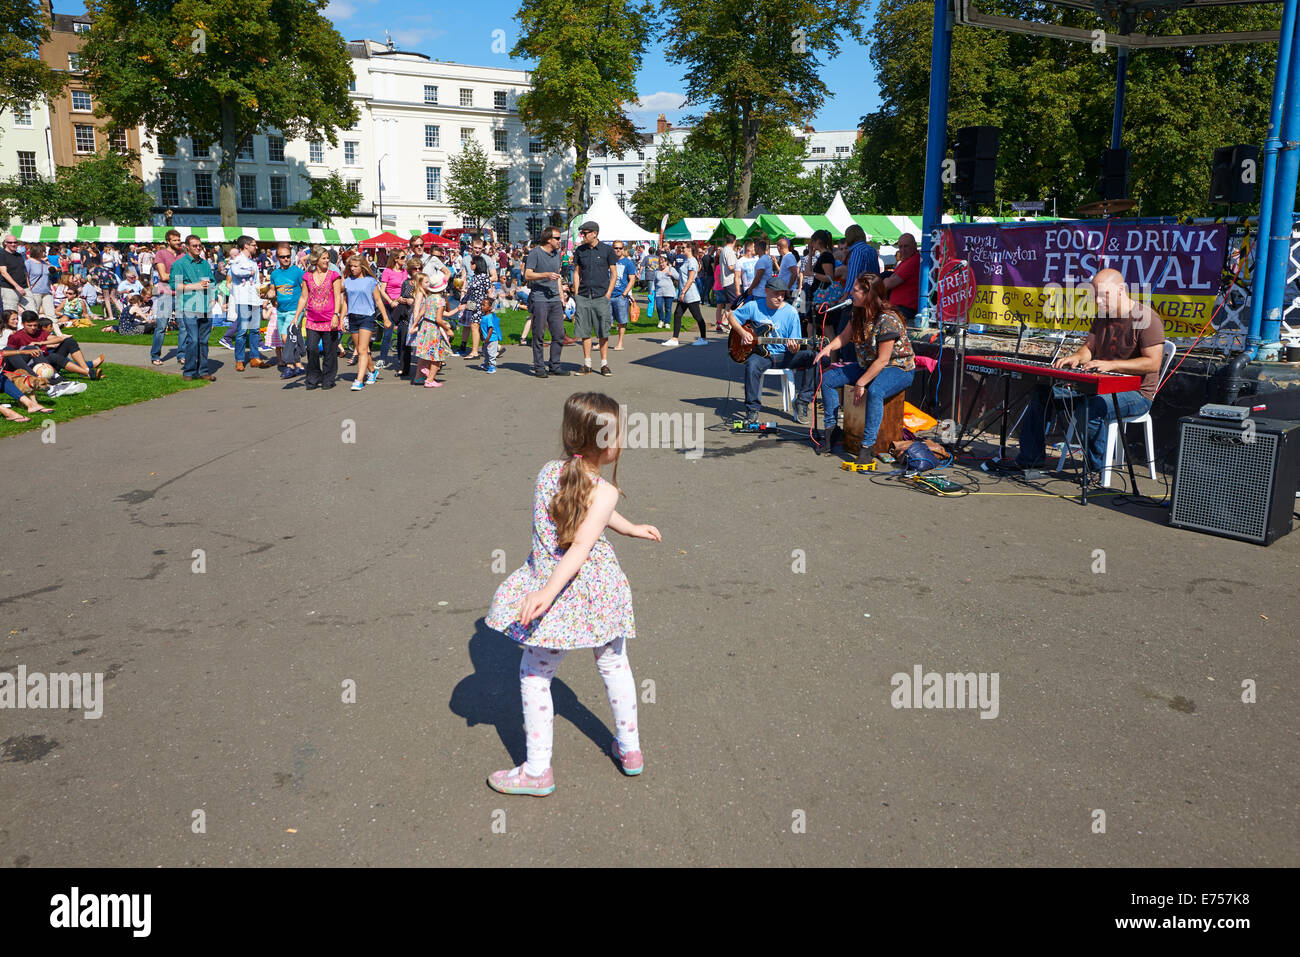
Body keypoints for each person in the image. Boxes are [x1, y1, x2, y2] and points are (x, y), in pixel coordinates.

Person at [483, 391, 661, 795]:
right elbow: (583, 542)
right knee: (614, 665)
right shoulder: (605, 491)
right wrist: (549, 590)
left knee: (535, 674)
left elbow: (587, 515)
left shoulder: (549, 473)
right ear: (607, 444)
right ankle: (630, 750)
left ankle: (537, 769)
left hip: (558, 590)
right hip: (594, 592)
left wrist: (629, 528)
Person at [1007, 269, 1166, 483]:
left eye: (1103, 295)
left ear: (1120, 290)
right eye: (1095, 295)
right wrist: (1076, 357)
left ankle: (1096, 469)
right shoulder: (1102, 316)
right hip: (1097, 385)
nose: (1098, 301)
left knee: (1091, 408)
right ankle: (1030, 459)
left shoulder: (1147, 319)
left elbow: (1153, 362)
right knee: (1041, 393)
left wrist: (1111, 365)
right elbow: (1089, 348)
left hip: (1136, 394)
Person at [812, 274, 916, 458]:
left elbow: (883, 360)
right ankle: (831, 431)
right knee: (827, 379)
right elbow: (844, 337)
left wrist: (861, 383)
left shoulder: (887, 319)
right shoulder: (858, 312)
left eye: (855, 290)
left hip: (898, 367)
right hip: (868, 364)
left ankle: (867, 446)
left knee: (875, 391)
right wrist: (827, 348)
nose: (851, 293)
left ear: (869, 294)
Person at [730, 278, 816, 424]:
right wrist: (743, 333)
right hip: (761, 355)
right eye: (776, 294)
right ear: (766, 291)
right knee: (751, 365)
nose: (780, 297)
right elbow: (731, 315)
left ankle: (802, 401)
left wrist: (794, 348)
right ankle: (752, 409)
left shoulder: (791, 313)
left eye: (782, 294)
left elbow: (794, 345)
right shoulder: (754, 306)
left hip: (785, 355)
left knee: (814, 357)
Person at [293, 248, 344, 390]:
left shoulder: (334, 275)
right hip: (312, 319)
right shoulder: (307, 276)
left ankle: (328, 378)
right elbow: (303, 297)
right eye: (324, 258)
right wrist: (296, 316)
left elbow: (338, 297)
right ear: (316, 260)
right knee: (312, 349)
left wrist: (336, 315)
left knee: (330, 351)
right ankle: (313, 378)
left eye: (328, 258)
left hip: (330, 319)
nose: (327, 261)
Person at [571, 220, 617, 376]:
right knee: (584, 331)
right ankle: (587, 363)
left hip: (601, 296)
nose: (582, 235)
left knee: (603, 331)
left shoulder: (607, 250)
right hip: (583, 295)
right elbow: (576, 272)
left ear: (594, 233)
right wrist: (576, 293)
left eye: (585, 233)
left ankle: (604, 364)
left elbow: (614, 274)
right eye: (582, 233)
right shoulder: (580, 250)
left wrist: (608, 294)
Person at [171, 235, 218, 382]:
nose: (198, 248)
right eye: (194, 245)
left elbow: (213, 281)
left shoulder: (204, 264)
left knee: (203, 341)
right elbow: (174, 285)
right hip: (189, 306)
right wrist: (195, 286)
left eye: (200, 245)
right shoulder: (180, 264)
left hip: (205, 306)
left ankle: (203, 370)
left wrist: (213, 296)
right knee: (193, 340)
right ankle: (189, 371)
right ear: (187, 247)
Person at [4, 311, 105, 380]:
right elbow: (11, 356)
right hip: (33, 366)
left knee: (69, 341)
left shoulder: (39, 332)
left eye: (35, 325)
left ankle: (87, 370)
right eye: (29, 325)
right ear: (23, 324)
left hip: (47, 360)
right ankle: (88, 373)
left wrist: (41, 343)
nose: (33, 328)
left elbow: (59, 338)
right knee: (53, 356)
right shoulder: (16, 336)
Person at [525, 226, 569, 378]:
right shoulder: (535, 253)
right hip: (539, 299)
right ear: (548, 239)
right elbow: (527, 275)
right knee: (539, 334)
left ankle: (554, 365)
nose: (559, 241)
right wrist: (545, 275)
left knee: (559, 334)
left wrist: (562, 296)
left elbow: (557, 277)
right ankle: (539, 367)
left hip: (555, 299)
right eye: (557, 238)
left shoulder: (557, 254)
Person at [341, 254, 389, 391]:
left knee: (361, 350)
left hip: (367, 317)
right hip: (352, 317)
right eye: (351, 266)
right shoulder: (348, 281)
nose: (353, 269)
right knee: (364, 350)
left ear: (362, 267)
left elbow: (378, 300)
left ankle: (359, 379)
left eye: (356, 266)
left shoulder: (370, 281)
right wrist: (341, 318)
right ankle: (372, 371)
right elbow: (345, 301)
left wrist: (385, 318)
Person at [226, 236, 270, 372]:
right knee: (242, 331)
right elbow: (235, 272)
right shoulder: (237, 260)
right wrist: (248, 272)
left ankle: (255, 357)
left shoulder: (253, 262)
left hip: (254, 299)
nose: (256, 247)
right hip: (243, 299)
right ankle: (239, 360)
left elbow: (256, 280)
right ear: (246, 245)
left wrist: (262, 293)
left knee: (255, 330)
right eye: (254, 245)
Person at [409, 271, 456, 388]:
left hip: (424, 326)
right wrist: (448, 329)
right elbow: (439, 319)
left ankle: (419, 376)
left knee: (424, 353)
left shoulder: (429, 298)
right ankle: (429, 379)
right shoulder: (440, 301)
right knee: (437, 356)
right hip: (433, 329)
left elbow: (421, 312)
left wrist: (414, 325)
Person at [269, 244, 306, 379]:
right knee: (288, 338)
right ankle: (299, 365)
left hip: (294, 310)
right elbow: (273, 290)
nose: (286, 259)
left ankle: (290, 366)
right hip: (280, 310)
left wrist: (304, 309)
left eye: (288, 256)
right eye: (282, 257)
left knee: (286, 337)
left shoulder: (298, 272)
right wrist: (270, 295)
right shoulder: (275, 273)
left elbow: (306, 290)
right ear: (277, 257)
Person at [150, 230, 184, 366]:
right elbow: (163, 276)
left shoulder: (183, 255)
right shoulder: (161, 254)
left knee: (184, 327)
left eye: (179, 239)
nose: (178, 242)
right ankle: (155, 355)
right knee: (161, 326)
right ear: (168, 241)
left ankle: (182, 354)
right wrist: (180, 276)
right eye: (175, 240)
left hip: (181, 294)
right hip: (166, 293)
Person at [665, 241, 708, 348]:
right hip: (684, 294)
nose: (681, 249)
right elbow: (683, 277)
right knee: (677, 314)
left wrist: (683, 292)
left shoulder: (692, 261)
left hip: (690, 294)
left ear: (689, 249)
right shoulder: (687, 261)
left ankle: (703, 338)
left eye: (683, 247)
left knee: (698, 317)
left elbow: (690, 279)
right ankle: (675, 339)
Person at [882, 232, 919, 325]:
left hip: (905, 309)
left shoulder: (913, 261)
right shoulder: (905, 261)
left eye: (906, 246)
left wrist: (888, 280)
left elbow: (888, 284)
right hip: (897, 308)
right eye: (900, 247)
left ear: (914, 246)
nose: (902, 250)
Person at [609, 241, 637, 350]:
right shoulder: (609, 261)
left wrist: (625, 294)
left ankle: (620, 343)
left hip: (620, 295)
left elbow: (632, 279)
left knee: (621, 321)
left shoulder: (628, 263)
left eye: (620, 248)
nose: (618, 250)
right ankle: (602, 342)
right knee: (605, 321)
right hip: (608, 294)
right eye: (616, 248)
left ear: (623, 249)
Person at [0, 235, 30, 314]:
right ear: (5, 243)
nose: (13, 244)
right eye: (10, 242)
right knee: (11, 315)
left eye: (15, 242)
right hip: (9, 289)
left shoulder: (19, 255)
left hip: (24, 288)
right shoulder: (2, 254)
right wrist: (17, 286)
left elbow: (24, 271)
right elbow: (3, 272)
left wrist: (28, 286)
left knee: (32, 312)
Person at [716, 232, 738, 333]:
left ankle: (726, 322)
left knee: (729, 304)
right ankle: (726, 321)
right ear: (734, 241)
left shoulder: (724, 250)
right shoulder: (729, 251)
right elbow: (731, 266)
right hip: (730, 280)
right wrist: (740, 270)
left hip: (725, 280)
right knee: (734, 304)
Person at [653, 255, 676, 336]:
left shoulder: (671, 269)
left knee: (668, 308)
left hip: (669, 292)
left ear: (666, 262)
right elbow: (654, 281)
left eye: (663, 262)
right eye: (660, 263)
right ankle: (661, 320)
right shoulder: (657, 271)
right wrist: (652, 290)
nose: (661, 264)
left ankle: (667, 322)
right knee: (659, 306)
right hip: (659, 292)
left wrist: (671, 274)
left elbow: (678, 277)